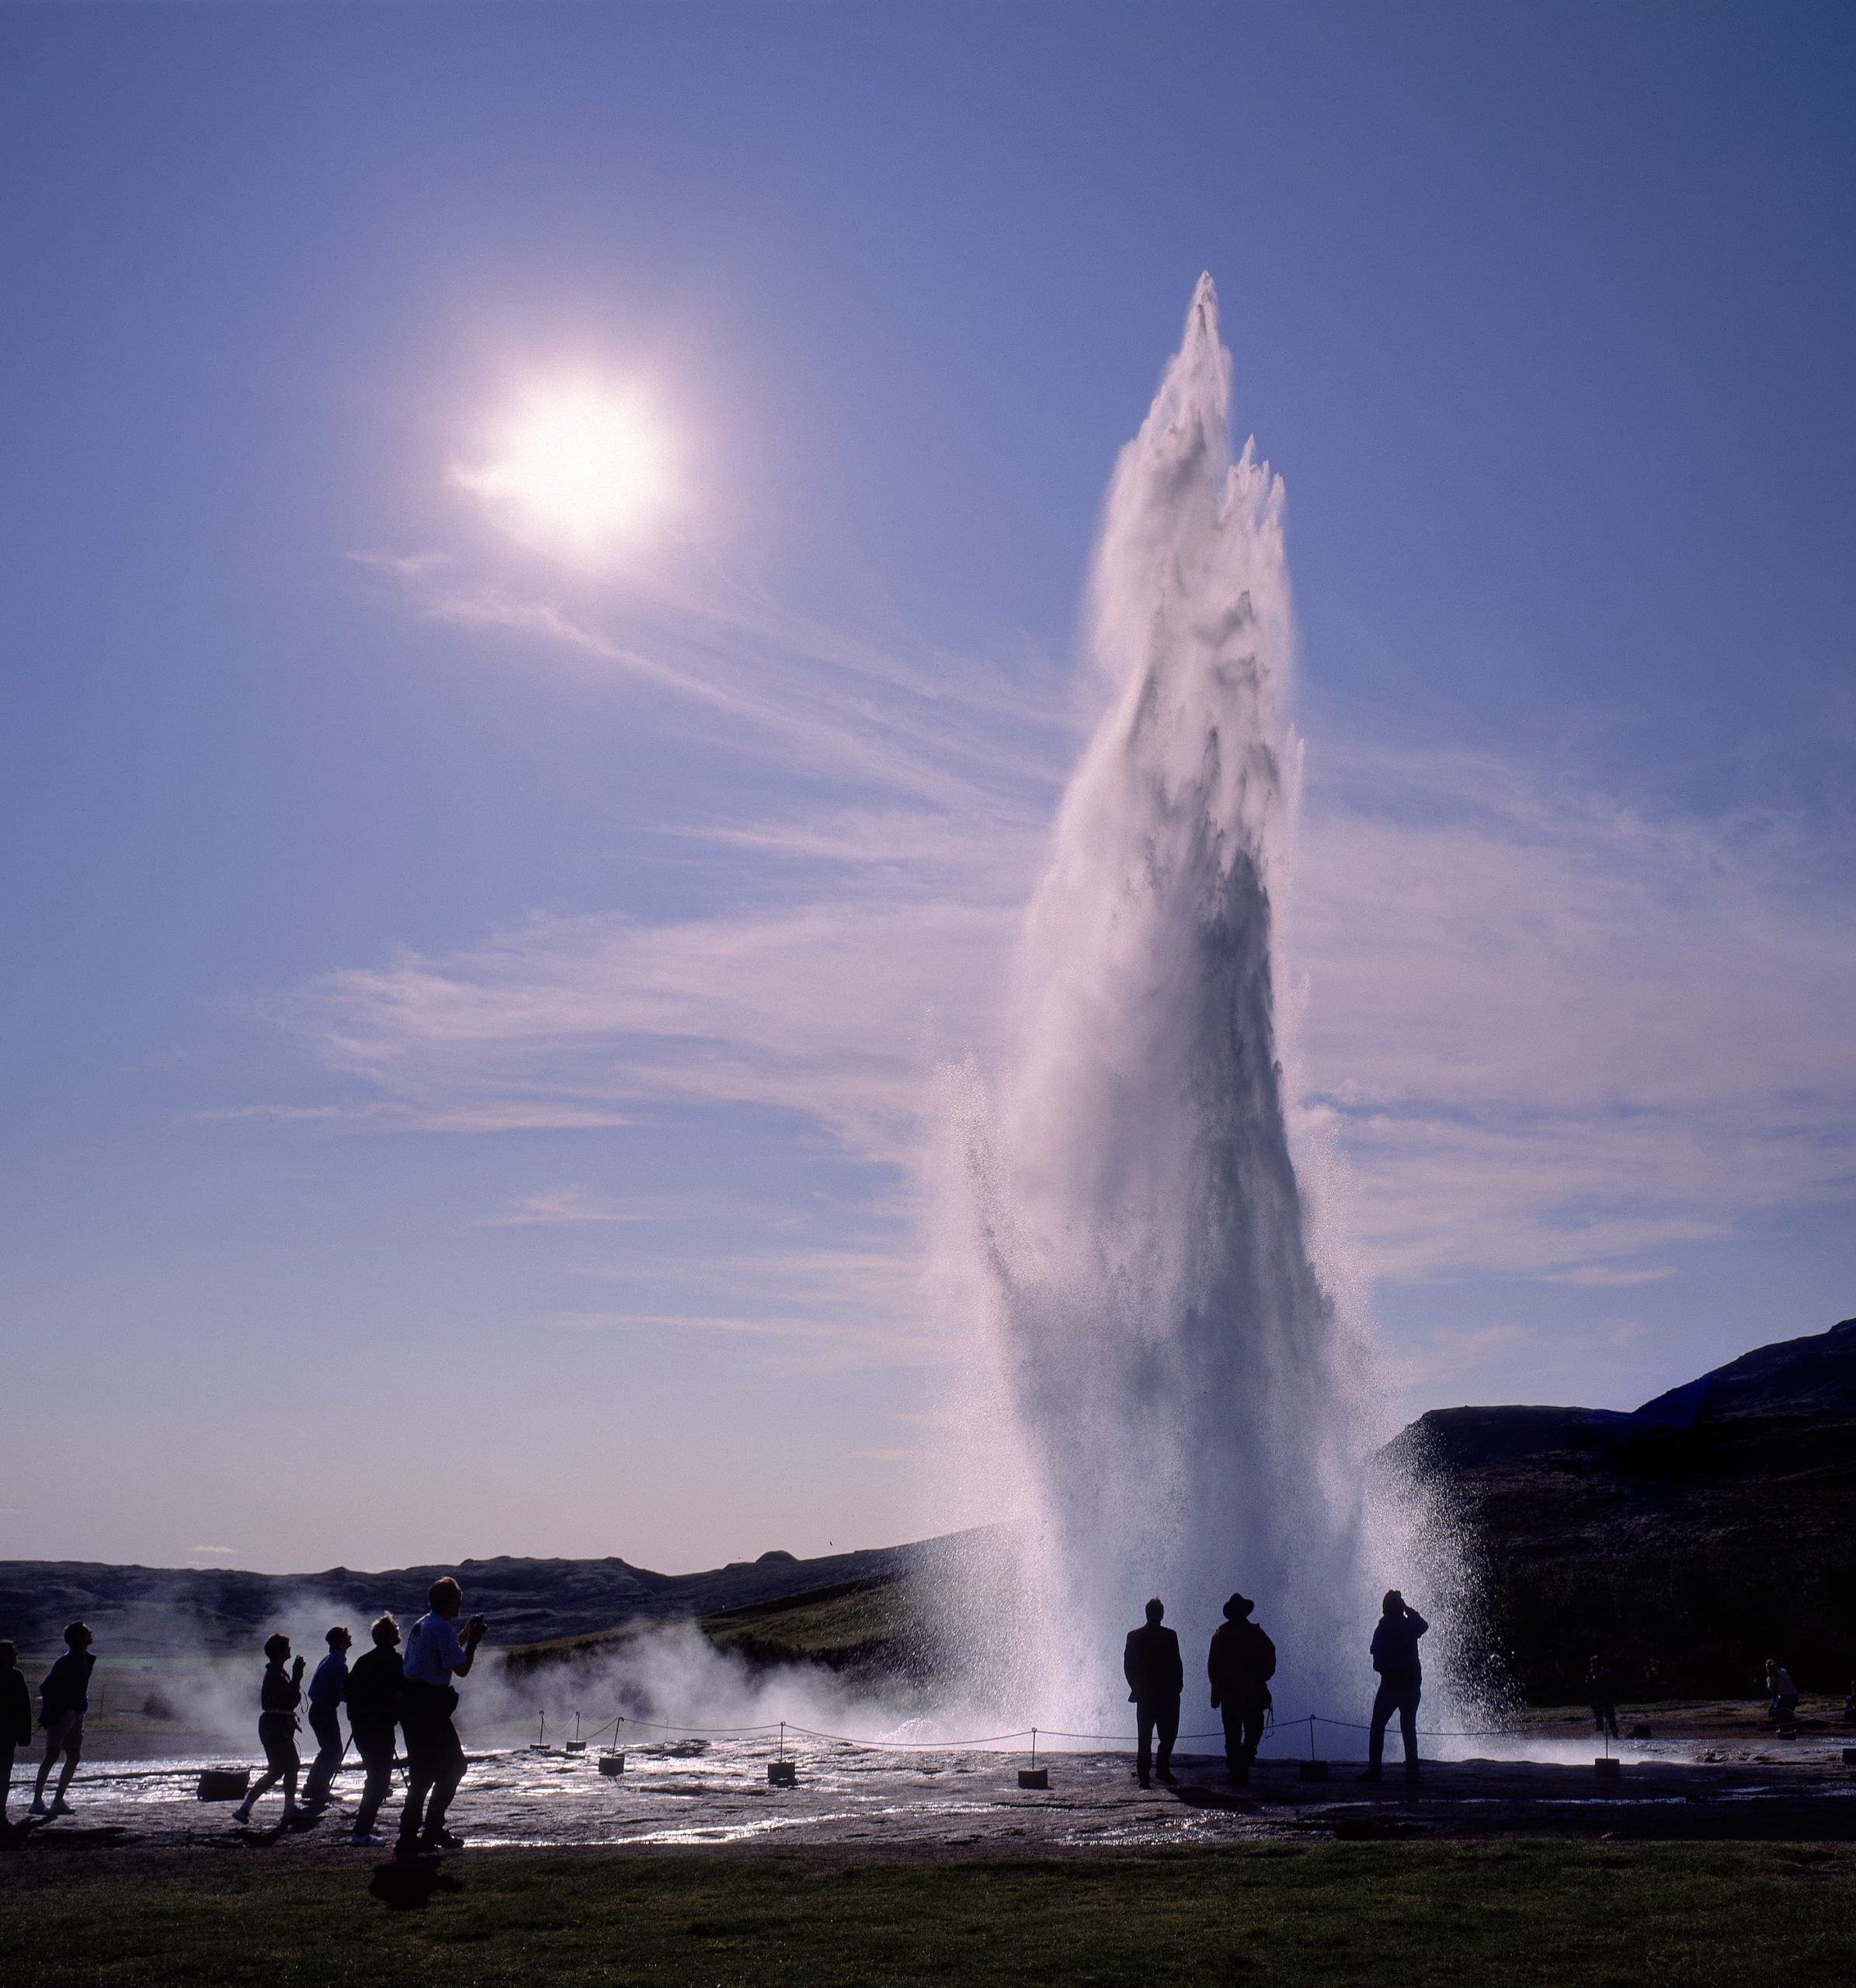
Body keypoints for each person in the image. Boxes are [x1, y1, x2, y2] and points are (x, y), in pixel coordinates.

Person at [397, 1577, 485, 1856]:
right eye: (458, 1598)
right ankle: (432, 1827)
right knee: (454, 1766)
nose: (461, 1603)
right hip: (429, 1707)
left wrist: (463, 1634)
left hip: (413, 1704)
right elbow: (460, 1668)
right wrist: (472, 1642)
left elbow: (443, 1652)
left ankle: (410, 1832)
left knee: (423, 1771)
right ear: (449, 1601)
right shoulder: (440, 1628)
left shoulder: (425, 1624)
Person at [232, 1633, 306, 1824]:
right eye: (287, 1647)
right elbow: (290, 1702)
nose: (290, 1650)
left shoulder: (276, 1673)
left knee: (284, 1767)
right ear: (281, 1652)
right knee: (283, 1768)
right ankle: (281, 1809)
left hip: (272, 1727)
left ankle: (249, 1808)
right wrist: (297, 1678)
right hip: (276, 1728)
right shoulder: (277, 1675)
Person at [345, 1614, 404, 1847]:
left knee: (375, 1775)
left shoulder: (363, 1660)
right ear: (389, 1636)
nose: (398, 1631)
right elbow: (401, 1692)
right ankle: (361, 1831)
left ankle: (365, 1823)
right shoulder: (394, 1661)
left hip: (361, 1728)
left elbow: (347, 1691)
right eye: (395, 1629)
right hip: (380, 1727)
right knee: (380, 1779)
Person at [1207, 1593, 1276, 1786]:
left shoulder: (1221, 1635)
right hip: (1252, 1695)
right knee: (1252, 1732)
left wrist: (1217, 1689)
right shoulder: (1255, 1634)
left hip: (1231, 1696)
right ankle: (1242, 1765)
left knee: (1233, 1736)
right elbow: (1270, 1658)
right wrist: (1263, 1677)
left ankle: (1238, 1768)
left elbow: (1213, 1667)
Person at [1361, 1589, 1427, 1784]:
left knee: (1378, 1726)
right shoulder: (1409, 1626)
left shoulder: (1383, 1629)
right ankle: (1413, 1773)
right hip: (1412, 1686)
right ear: (1400, 1608)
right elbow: (1423, 1625)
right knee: (1409, 1729)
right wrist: (1408, 1609)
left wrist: (1387, 1670)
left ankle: (1375, 1771)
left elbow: (1377, 1662)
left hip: (1391, 1686)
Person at [30, 1621, 94, 1816]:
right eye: (86, 1632)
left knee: (74, 1756)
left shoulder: (83, 1659)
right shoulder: (66, 1662)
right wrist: (63, 1708)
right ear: (79, 1638)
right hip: (64, 1715)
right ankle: (37, 1801)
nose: (91, 1634)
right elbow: (46, 1687)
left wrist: (81, 1705)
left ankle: (57, 1800)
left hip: (75, 1714)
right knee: (52, 1755)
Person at [1123, 1597, 1183, 1789]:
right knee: (1165, 1735)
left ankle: (1147, 1775)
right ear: (1159, 1614)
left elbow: (1128, 1667)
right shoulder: (1169, 1636)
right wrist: (1177, 1685)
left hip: (1151, 1696)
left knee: (1148, 1737)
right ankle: (1157, 1771)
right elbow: (1177, 1664)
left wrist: (1137, 1687)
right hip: (1163, 1696)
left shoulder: (1135, 1636)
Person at [301, 1625, 352, 1809]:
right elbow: (343, 1693)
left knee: (328, 1750)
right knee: (334, 1751)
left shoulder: (329, 1660)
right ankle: (319, 1789)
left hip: (319, 1710)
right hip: (325, 1711)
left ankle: (312, 1788)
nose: (350, 1638)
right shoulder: (339, 1664)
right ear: (341, 1642)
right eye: (347, 1637)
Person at [2, 1642, 32, 1826]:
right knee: (4, 1773)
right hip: (7, 1734)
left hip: (8, 1735)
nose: (16, 1655)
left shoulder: (16, 1676)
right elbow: (24, 1708)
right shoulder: (16, 1676)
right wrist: (24, 1734)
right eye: (12, 1652)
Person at [1586, 1655, 1620, 1740]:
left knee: (1611, 1718)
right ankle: (1600, 1737)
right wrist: (1593, 1680)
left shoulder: (1606, 1672)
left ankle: (1615, 1735)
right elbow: (1587, 1685)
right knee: (1599, 1720)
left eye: (1595, 1663)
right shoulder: (1590, 1674)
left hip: (1606, 1699)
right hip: (1596, 1700)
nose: (1594, 1665)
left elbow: (1612, 1683)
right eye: (1592, 1663)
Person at [1766, 1659, 1799, 1729]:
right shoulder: (1783, 1671)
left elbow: (1771, 1688)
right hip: (1794, 1694)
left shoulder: (1772, 1678)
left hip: (1786, 1697)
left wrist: (1770, 1679)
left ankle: (1782, 1729)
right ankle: (1793, 1728)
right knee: (1789, 1713)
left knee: (1777, 1712)